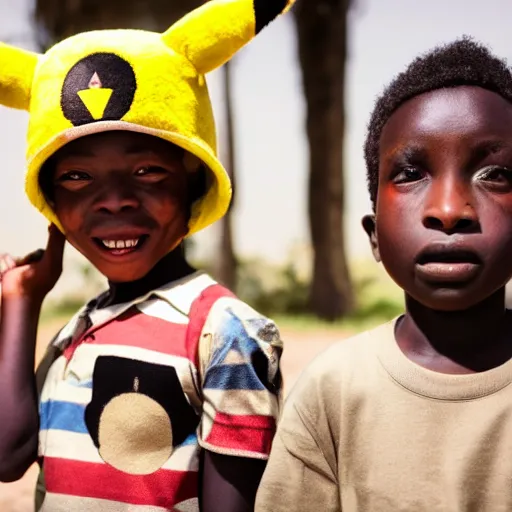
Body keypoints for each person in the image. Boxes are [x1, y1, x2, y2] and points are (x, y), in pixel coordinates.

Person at [0, 1, 293, 510]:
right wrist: (21, 301)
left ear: (193, 187)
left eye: (148, 171)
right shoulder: (81, 327)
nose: (113, 199)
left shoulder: (223, 333)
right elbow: (8, 456)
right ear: (53, 204)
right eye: (76, 177)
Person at [255, 37, 512, 512]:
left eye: (494, 174)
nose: (449, 210)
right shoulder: (334, 389)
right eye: (412, 172)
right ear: (374, 235)